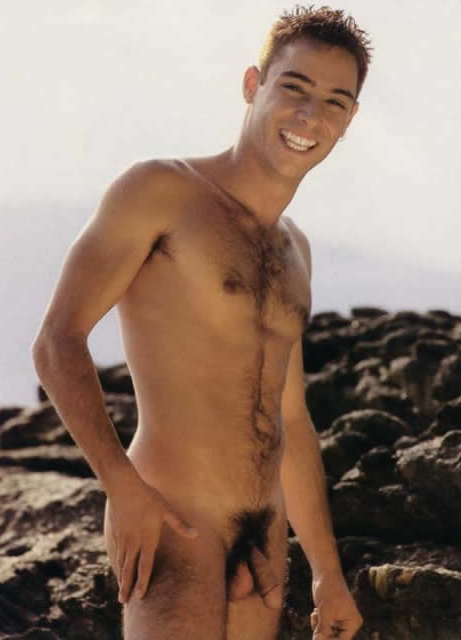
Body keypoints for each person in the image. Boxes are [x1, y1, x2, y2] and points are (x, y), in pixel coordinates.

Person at [32, 5, 372, 639]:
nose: (310, 115)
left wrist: (327, 573)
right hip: (174, 519)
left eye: (334, 101)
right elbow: (57, 341)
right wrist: (123, 489)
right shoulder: (161, 191)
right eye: (294, 87)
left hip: (263, 538)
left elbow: (292, 419)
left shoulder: (295, 250)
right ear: (252, 85)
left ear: (349, 119)